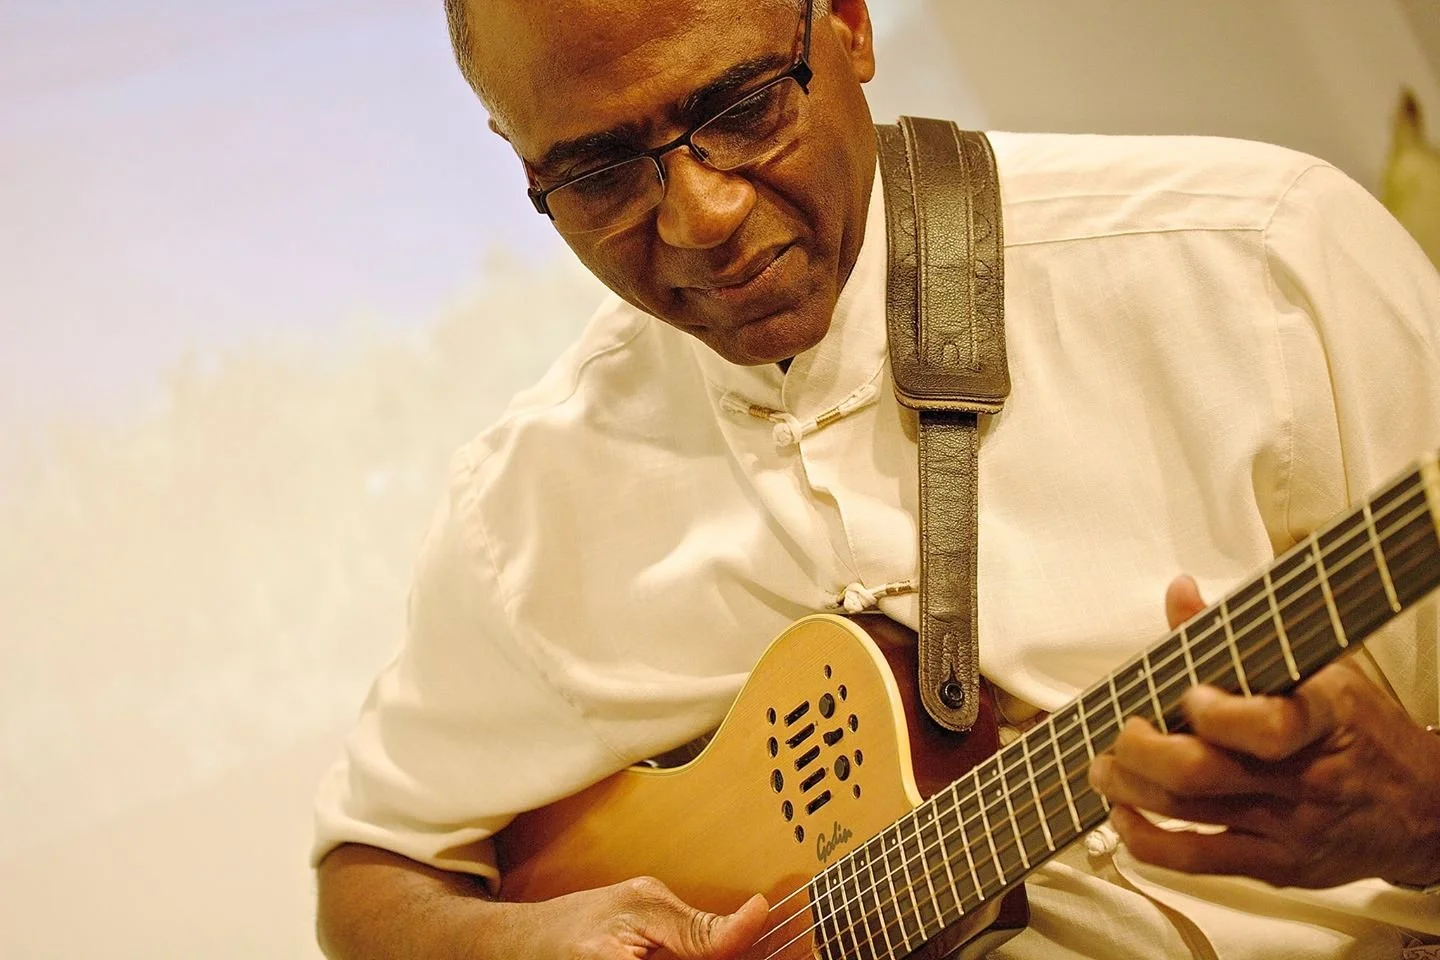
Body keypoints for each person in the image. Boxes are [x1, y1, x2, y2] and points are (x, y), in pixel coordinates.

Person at [312, 0, 1440, 957]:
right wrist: (515, 940)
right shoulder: (523, 509)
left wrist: (1420, 816)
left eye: (743, 107)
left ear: (846, 23)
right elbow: (366, 877)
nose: (701, 216)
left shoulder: (1260, 266)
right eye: (602, 175)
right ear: (529, 170)